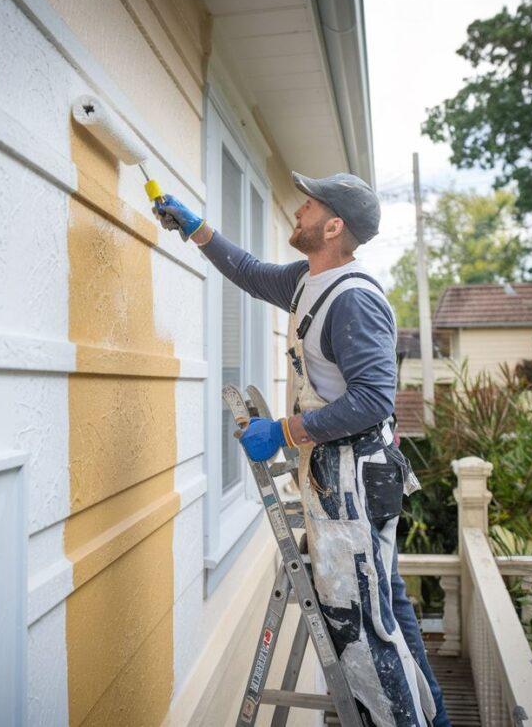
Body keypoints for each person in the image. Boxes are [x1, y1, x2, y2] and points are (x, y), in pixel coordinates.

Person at [154, 172, 451, 727]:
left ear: (334, 226)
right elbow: (246, 271)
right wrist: (196, 229)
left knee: (361, 627)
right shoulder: (306, 281)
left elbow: (372, 400)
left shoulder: (353, 300)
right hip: (343, 473)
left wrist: (287, 432)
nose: (298, 210)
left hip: (355, 478)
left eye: (309, 205)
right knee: (386, 609)